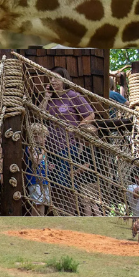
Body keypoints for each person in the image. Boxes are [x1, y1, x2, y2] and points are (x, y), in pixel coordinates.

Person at [39, 67, 95, 215]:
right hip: (51, 146)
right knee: (54, 181)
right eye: (50, 78)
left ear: (64, 80)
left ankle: (69, 212)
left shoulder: (72, 96)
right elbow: (40, 115)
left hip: (69, 145)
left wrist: (77, 128)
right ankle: (60, 212)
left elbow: (90, 114)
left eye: (56, 78)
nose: (53, 81)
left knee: (64, 180)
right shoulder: (50, 99)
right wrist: (46, 96)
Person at [25, 123, 51, 216]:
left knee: (43, 202)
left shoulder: (40, 148)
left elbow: (43, 162)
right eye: (43, 137)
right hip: (34, 179)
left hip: (43, 178)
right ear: (35, 136)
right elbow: (36, 161)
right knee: (37, 203)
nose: (45, 139)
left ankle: (42, 220)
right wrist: (44, 151)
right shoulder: (31, 147)